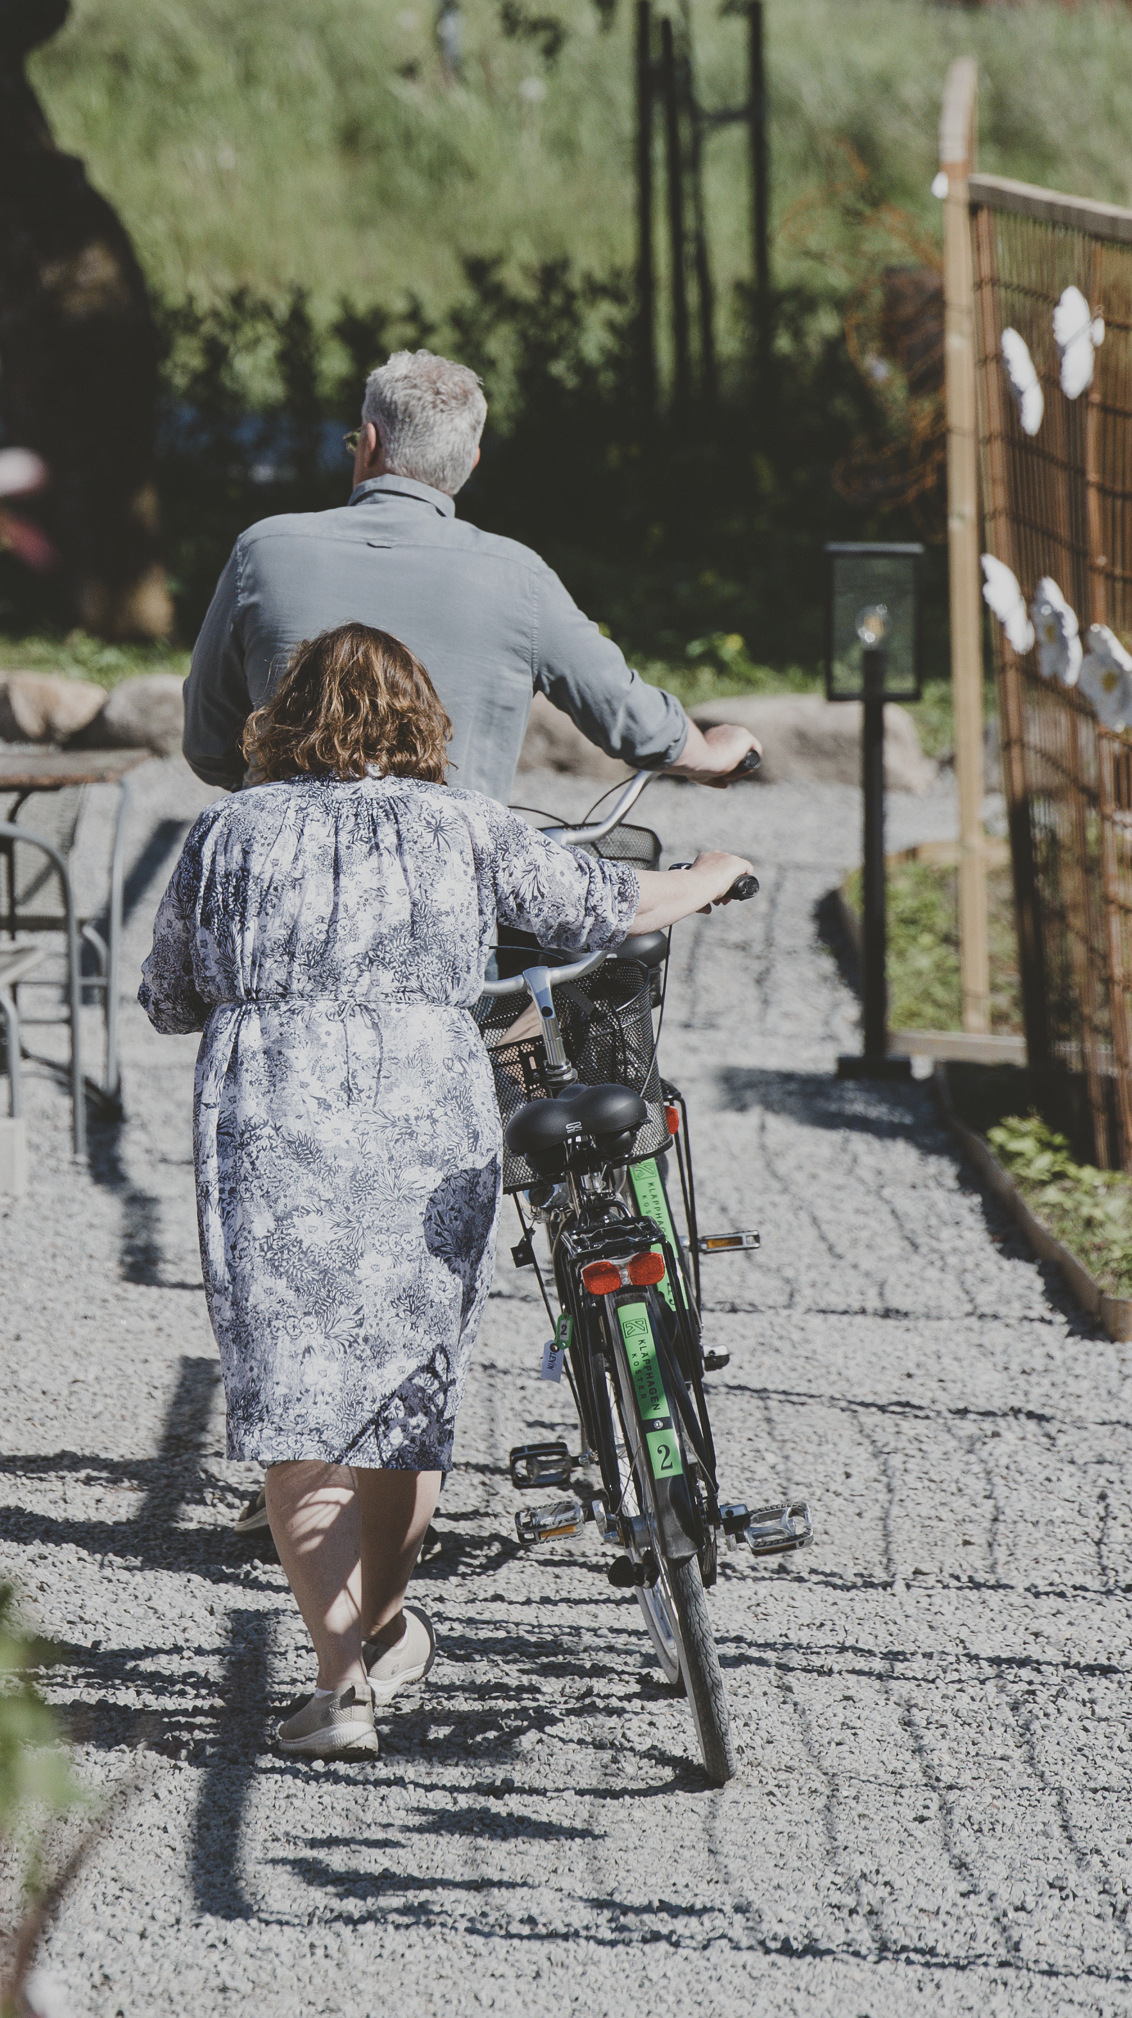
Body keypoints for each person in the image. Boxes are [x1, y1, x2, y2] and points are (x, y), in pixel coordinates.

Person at [139, 625, 755, 1761]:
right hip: (424, 1111)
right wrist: (711, 875)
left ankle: (339, 1690)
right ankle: (382, 1625)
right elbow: (600, 906)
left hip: (271, 1118)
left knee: (297, 1398)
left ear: (284, 719)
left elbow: (170, 997)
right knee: (403, 1394)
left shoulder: (227, 829)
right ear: (424, 720)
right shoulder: (465, 823)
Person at [182, 350, 763, 803]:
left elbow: (208, 745)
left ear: (371, 443)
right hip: (449, 913)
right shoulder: (518, 579)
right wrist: (709, 751)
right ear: (470, 464)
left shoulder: (262, 550)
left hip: (283, 900)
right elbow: (629, 716)